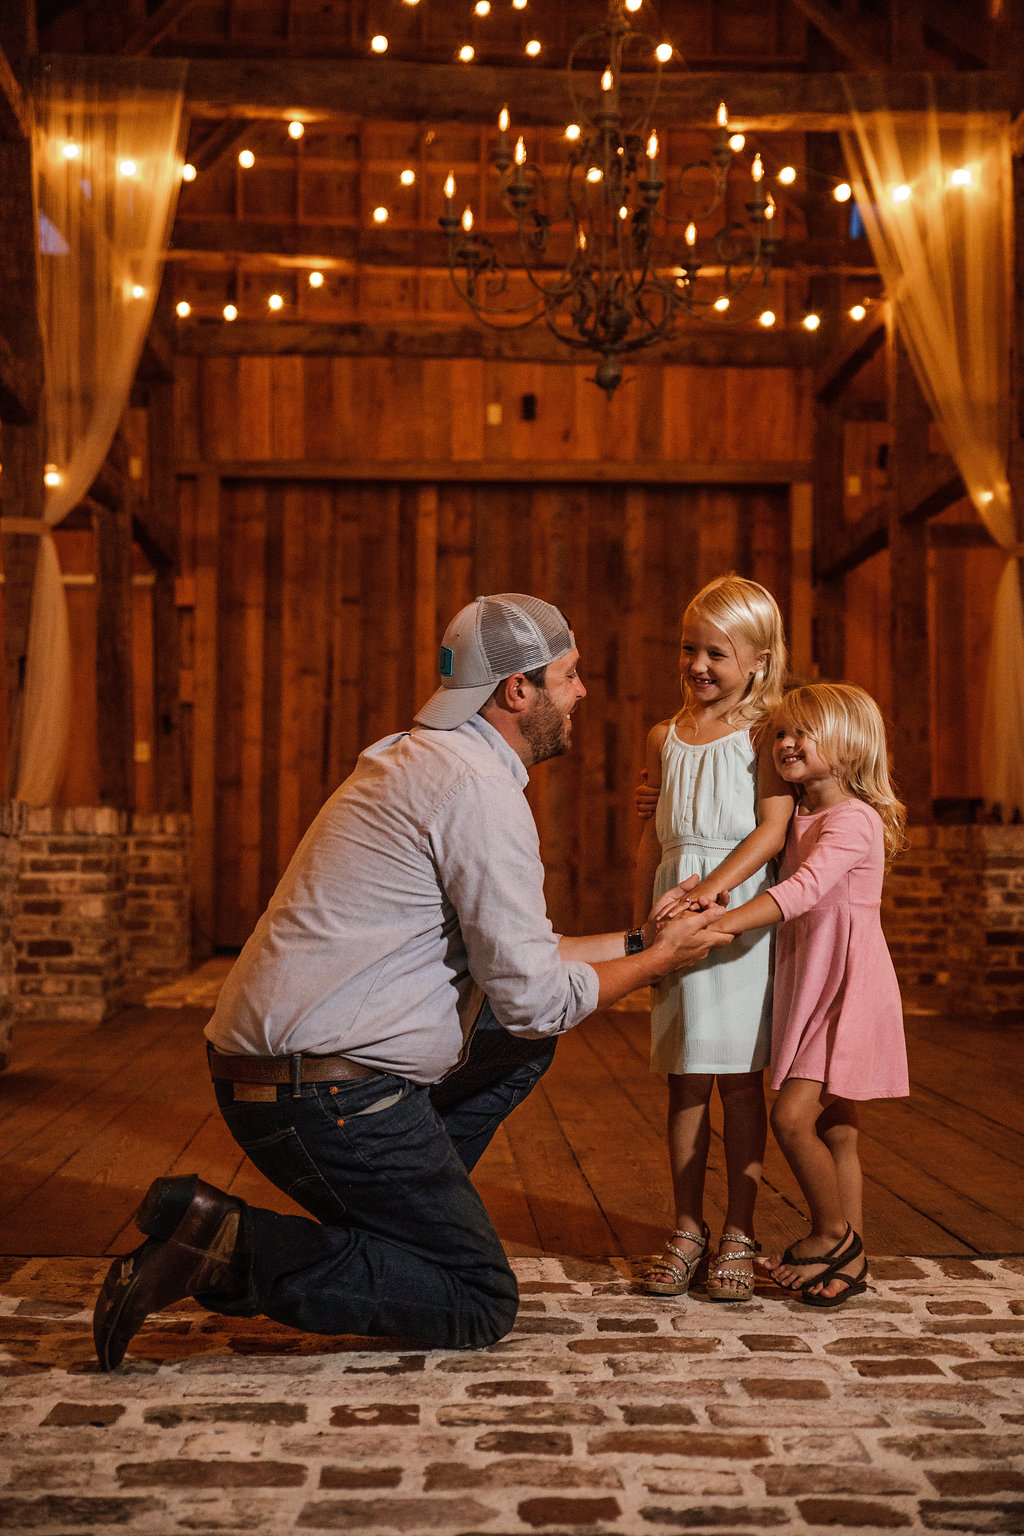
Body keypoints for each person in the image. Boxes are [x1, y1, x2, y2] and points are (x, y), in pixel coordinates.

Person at [93, 592, 733, 1370]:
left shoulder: (418, 756)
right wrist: (659, 964)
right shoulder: (477, 791)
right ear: (517, 690)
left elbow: (524, 958)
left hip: (274, 1079)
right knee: (475, 1298)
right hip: (322, 1095)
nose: (583, 693)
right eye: (571, 675)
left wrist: (642, 937)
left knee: (514, 1045)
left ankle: (387, 1228)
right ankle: (226, 1249)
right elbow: (535, 999)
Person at [690, 681, 909, 1307]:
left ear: (851, 745)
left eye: (803, 733)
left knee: (791, 1117)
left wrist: (720, 921)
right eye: (782, 733)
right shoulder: (800, 814)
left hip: (844, 984)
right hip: (807, 978)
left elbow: (805, 891)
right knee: (838, 1126)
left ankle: (831, 1234)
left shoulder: (855, 819)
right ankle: (853, 1260)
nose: (787, 743)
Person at [632, 575, 793, 1302]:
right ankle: (687, 1224)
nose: (699, 665)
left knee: (740, 1079)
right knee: (686, 1074)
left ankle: (740, 1226)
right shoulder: (663, 737)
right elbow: (652, 839)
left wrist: (708, 892)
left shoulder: (766, 735)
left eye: (717, 654)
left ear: (758, 659)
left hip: (736, 912)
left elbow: (771, 828)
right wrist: (645, 925)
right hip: (676, 912)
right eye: (689, 649)